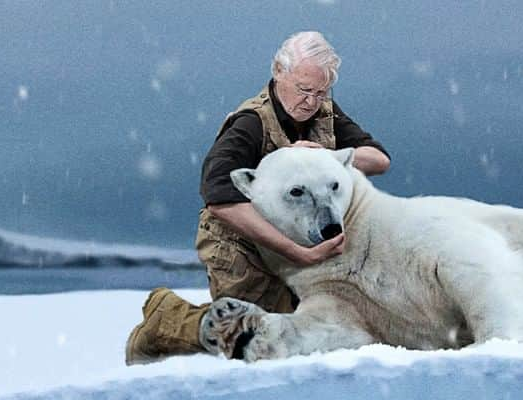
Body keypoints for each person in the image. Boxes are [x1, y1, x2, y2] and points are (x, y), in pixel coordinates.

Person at [125, 31, 390, 365]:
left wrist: (324, 153)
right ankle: (168, 320)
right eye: (303, 89)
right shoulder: (250, 124)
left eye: (320, 92)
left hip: (296, 245)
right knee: (248, 338)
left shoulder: (324, 112)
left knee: (302, 337)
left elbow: (379, 159)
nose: (310, 101)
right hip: (239, 243)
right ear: (279, 70)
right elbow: (217, 195)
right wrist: (295, 252)